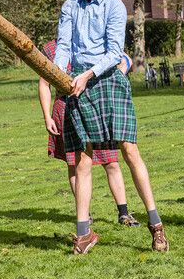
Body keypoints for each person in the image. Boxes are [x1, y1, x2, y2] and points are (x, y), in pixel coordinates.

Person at [54, 0, 168, 254]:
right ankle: (83, 233)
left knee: (129, 150)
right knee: (83, 158)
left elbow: (115, 51)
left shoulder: (114, 5)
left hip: (107, 79)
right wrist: (57, 73)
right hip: (77, 84)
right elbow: (64, 45)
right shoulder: (70, 5)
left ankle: (156, 226)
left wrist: (87, 74)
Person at [38, 40, 139, 226]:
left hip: (96, 103)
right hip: (65, 105)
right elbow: (44, 84)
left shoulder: (92, 40)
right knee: (75, 164)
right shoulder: (51, 50)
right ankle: (85, 216)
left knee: (111, 161)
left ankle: (124, 213)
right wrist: (47, 116)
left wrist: (121, 71)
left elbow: (125, 59)